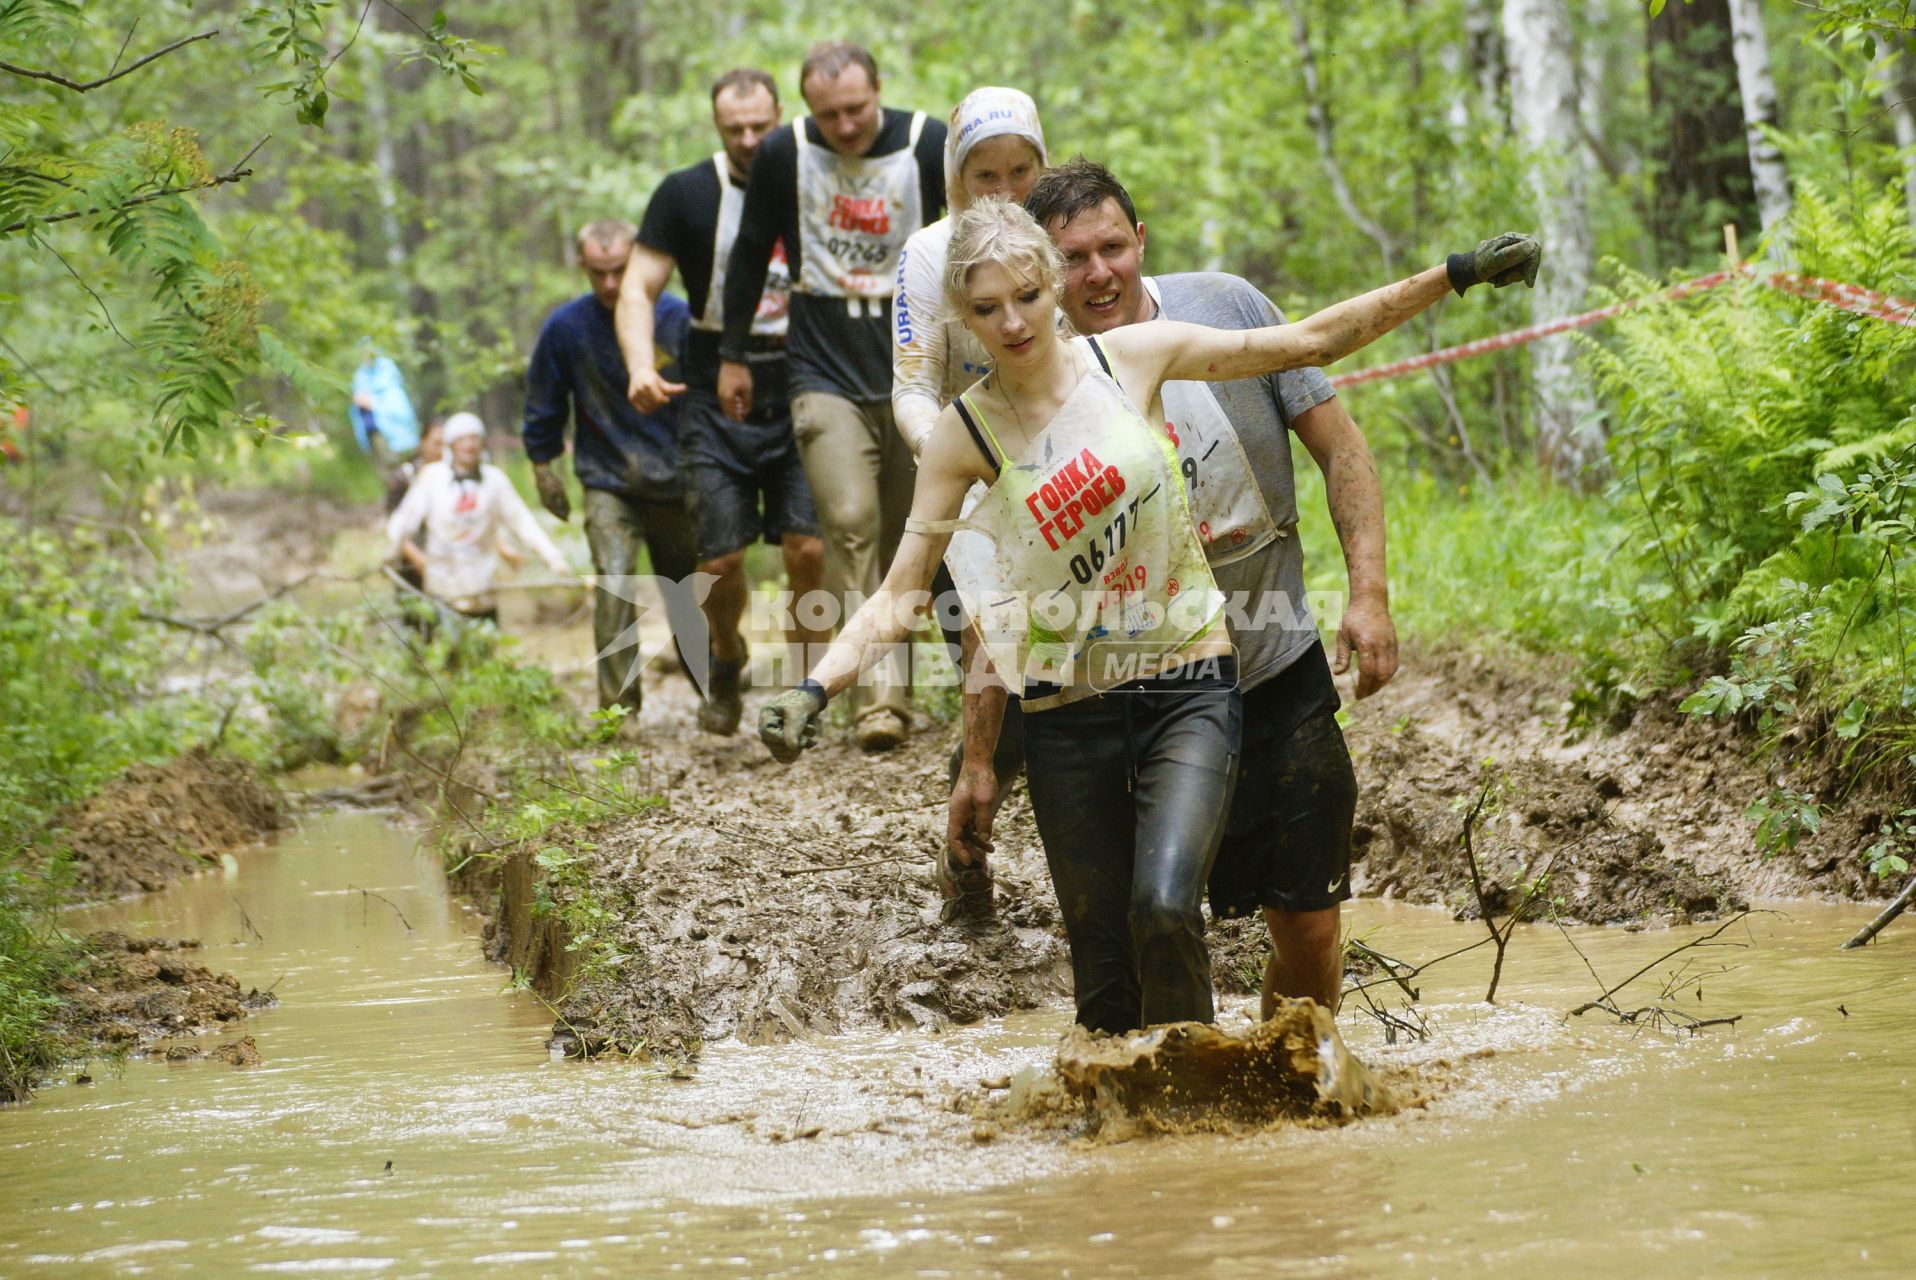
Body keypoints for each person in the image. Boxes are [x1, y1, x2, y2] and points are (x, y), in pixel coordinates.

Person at [759, 199, 1539, 1034]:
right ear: (963, 317)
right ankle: (1139, 1142)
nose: (1012, 322)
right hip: (1068, 714)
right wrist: (815, 689)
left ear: (1050, 284)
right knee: (1104, 988)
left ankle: (1201, 1120)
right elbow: (899, 591)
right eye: (985, 309)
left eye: (1024, 295)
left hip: (1189, 686)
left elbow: (1309, 341)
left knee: (1165, 908)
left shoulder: (1131, 359)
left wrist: (1450, 276)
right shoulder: (962, 436)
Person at [950, 160, 1408, 1018]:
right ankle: (1178, 1111)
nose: (1098, 274)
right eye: (1073, 258)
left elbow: (1342, 448)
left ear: (1140, 244)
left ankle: (1289, 1090)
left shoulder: (1227, 308)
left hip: (1271, 670)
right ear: (1042, 276)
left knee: (1308, 929)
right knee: (1144, 929)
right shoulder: (1017, 395)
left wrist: (1368, 592)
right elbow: (995, 593)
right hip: (1122, 697)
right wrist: (980, 757)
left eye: (1112, 248)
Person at [718, 40, 948, 752]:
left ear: (879, 91)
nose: (845, 127)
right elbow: (752, 250)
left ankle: (898, 681)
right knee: (849, 522)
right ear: (808, 108)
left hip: (913, 362)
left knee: (906, 531)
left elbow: (968, 243)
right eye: (830, 114)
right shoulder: (785, 152)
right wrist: (732, 355)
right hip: (819, 367)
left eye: (856, 110)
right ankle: (878, 701)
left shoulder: (925, 142)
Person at [620, 67, 826, 736]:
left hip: (801, 368)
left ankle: (804, 689)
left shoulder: (816, 177)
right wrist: (637, 365)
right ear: (716, 127)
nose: (746, 139)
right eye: (732, 128)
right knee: (720, 560)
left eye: (759, 127)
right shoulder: (684, 193)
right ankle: (727, 655)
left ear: (780, 118)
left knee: (808, 550)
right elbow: (636, 287)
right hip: (713, 383)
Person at [891, 85, 1048, 911]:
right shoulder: (926, 255)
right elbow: (911, 389)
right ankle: (966, 854)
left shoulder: (1068, 237)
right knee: (1001, 695)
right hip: (974, 497)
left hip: (1077, 489)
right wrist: (958, 460)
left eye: (1020, 170)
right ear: (954, 178)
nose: (1003, 191)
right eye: (983, 174)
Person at [524, 219, 700, 721]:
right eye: (597, 272)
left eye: (618, 272)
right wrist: (543, 466)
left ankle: (715, 686)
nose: (608, 284)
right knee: (614, 582)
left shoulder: (677, 318)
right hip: (607, 480)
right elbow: (544, 401)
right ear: (581, 265)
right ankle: (619, 712)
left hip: (677, 479)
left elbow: (706, 404)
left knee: (688, 593)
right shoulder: (566, 327)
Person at [387, 413, 570, 623]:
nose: (470, 445)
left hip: (483, 586)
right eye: (463, 440)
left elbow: (522, 522)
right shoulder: (431, 478)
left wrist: (553, 557)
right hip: (443, 589)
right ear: (452, 445)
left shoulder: (495, 481)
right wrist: (391, 552)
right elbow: (404, 521)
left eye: (475, 439)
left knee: (485, 648)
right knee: (448, 650)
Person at [351, 343, 422, 507]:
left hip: (393, 435)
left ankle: (409, 506)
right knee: (387, 474)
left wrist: (373, 403)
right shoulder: (361, 375)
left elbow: (397, 408)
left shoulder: (386, 374)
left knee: (398, 470)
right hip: (373, 432)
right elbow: (358, 399)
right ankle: (397, 507)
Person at [395, 417, 447, 593]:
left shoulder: (452, 478)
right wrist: (418, 560)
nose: (441, 451)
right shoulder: (404, 477)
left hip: (447, 564)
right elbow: (395, 527)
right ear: (422, 442)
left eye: (446, 445)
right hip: (412, 567)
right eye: (436, 444)